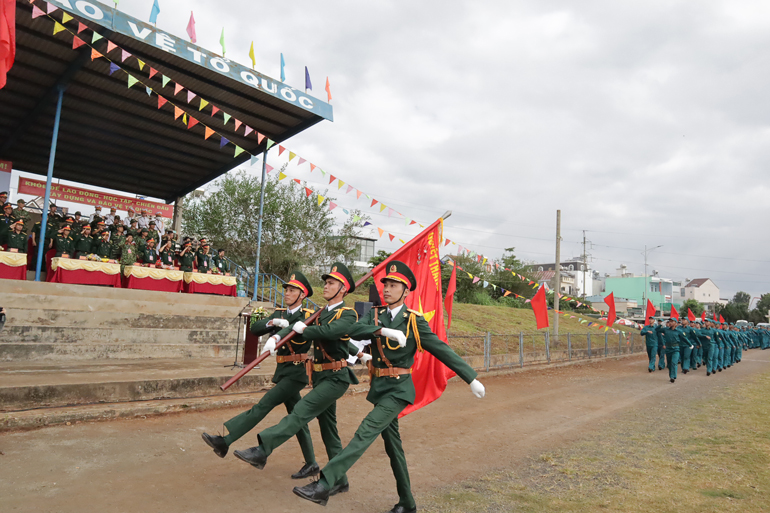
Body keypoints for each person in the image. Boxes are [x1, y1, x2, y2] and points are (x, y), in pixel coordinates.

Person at [293, 261, 486, 512]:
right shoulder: (375, 316)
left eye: (393, 286)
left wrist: (470, 377)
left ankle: (326, 483)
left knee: (365, 431)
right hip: (379, 388)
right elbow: (353, 329)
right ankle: (407, 502)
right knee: (394, 448)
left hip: (398, 391)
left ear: (406, 291)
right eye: (386, 285)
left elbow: (441, 349)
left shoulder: (414, 321)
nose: (387, 289)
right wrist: (383, 331)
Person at [233, 262, 361, 498]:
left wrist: (304, 329)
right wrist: (281, 332)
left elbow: (330, 333)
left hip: (337, 378)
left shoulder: (348, 313)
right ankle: (340, 480)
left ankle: (263, 449)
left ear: (343, 289)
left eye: (331, 283)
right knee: (328, 431)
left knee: (301, 411)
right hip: (321, 376)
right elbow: (297, 327)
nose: (326, 286)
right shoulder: (324, 313)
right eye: (325, 282)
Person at [201, 272, 320, 478]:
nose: (287, 293)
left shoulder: (308, 315)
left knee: (263, 405)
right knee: (297, 419)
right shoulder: (280, 312)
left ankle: (226, 441)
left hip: (296, 372)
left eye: (292, 290)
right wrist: (273, 322)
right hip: (282, 371)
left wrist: (288, 327)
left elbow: (304, 334)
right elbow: (255, 329)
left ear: (302, 295)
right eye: (286, 290)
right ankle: (311, 463)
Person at [657, 318, 688, 383]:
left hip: (676, 348)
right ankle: (671, 375)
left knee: (674, 362)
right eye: (669, 321)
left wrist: (690, 345)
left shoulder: (679, 331)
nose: (670, 323)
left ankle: (673, 376)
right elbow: (657, 330)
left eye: (672, 321)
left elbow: (684, 338)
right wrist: (661, 325)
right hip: (668, 348)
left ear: (676, 323)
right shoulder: (666, 330)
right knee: (669, 364)